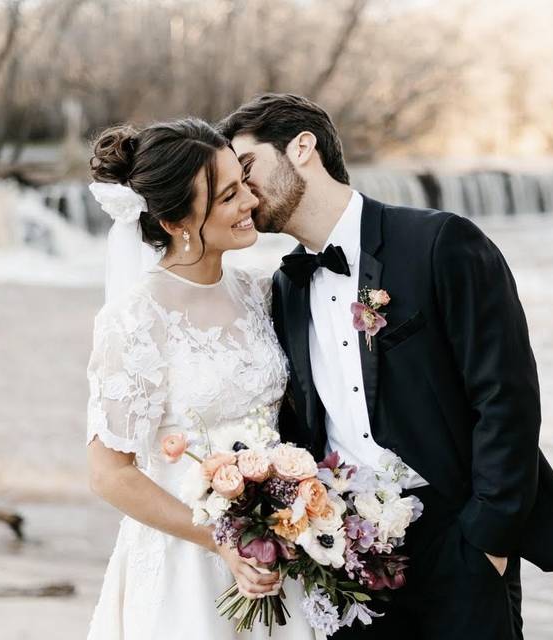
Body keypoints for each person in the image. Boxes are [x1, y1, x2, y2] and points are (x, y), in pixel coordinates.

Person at [219, 93, 553, 639]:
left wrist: (488, 541)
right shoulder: (286, 285)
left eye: (248, 167)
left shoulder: (440, 241)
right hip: (342, 551)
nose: (243, 192)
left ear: (303, 148)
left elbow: (506, 398)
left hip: (458, 539)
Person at [84, 118, 319, 639]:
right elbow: (109, 474)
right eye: (228, 195)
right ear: (176, 223)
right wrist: (221, 540)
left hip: (273, 551)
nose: (250, 202)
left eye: (243, 182)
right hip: (185, 566)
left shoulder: (258, 292)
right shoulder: (134, 320)